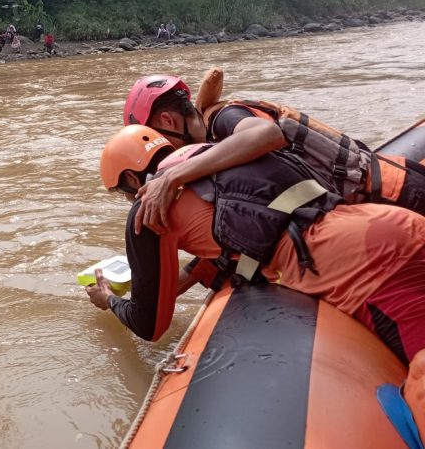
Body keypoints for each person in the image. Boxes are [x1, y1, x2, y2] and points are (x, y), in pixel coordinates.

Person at [89, 123, 425, 433]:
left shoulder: (149, 208)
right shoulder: (220, 153)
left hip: (368, 271)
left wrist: (110, 300)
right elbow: (242, 237)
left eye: (122, 193)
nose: (128, 201)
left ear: (131, 179)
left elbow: (149, 324)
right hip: (394, 225)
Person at [123, 73, 425, 232]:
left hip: (396, 194)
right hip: (384, 196)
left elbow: (266, 134)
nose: (162, 155)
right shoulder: (217, 144)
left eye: (158, 141)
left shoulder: (224, 118)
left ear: (169, 121)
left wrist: (172, 176)